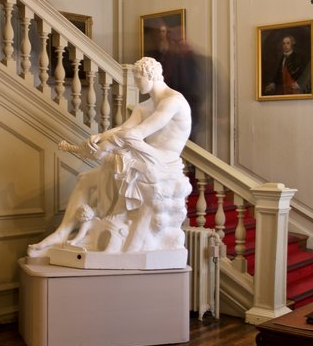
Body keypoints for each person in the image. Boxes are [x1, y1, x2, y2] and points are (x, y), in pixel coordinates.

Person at [28, 56, 192, 256]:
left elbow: (136, 134)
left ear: (150, 76)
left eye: (138, 79)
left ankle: (114, 226)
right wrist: (97, 137)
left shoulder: (173, 101)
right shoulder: (144, 107)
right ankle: (62, 233)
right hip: (143, 155)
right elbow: (123, 128)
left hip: (163, 161)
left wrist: (103, 148)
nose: (135, 83)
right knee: (85, 179)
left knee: (119, 154)